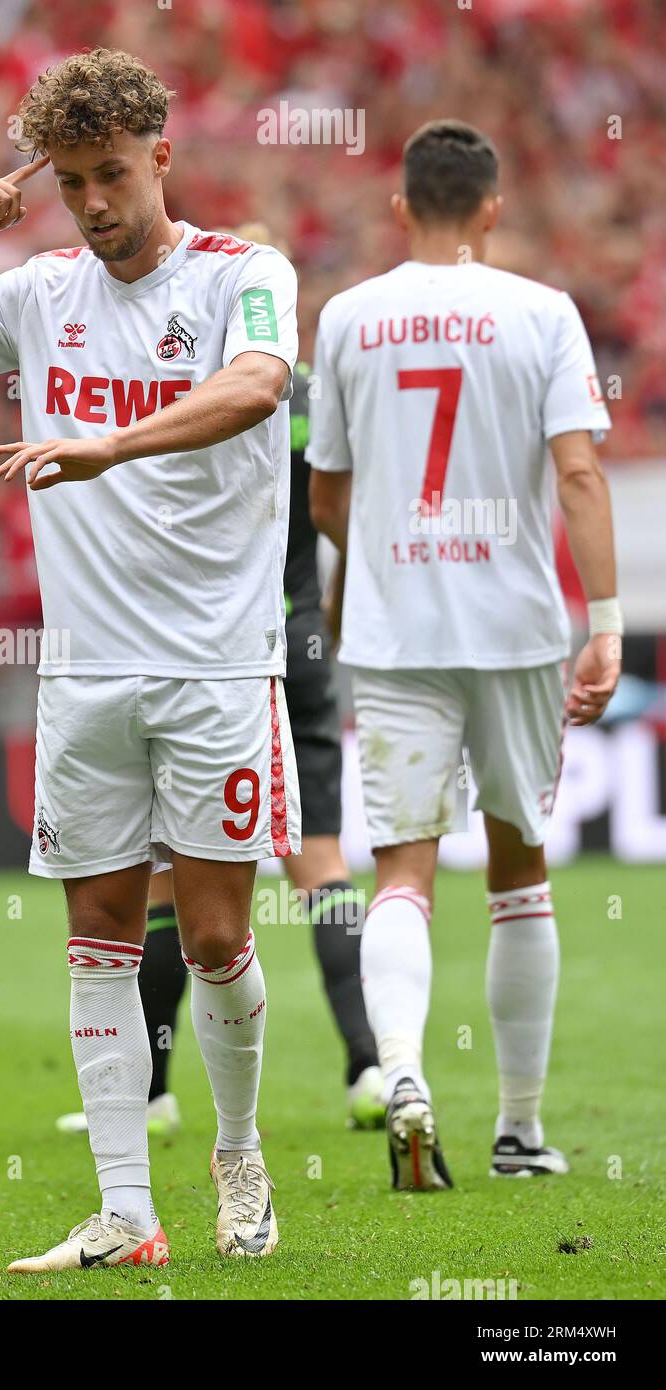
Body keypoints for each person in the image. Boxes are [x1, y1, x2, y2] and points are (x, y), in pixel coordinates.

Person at [0, 48, 301, 1269]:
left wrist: (111, 445)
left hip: (216, 666)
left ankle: (239, 1150)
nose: (94, 204)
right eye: (70, 182)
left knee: (210, 938)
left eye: (111, 175)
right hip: (85, 674)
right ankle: (125, 1211)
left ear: (160, 156)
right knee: (98, 932)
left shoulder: (243, 273)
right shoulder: (37, 291)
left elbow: (260, 388)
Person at [308, 120, 620, 1188]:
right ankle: (521, 1131)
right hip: (516, 631)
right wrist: (610, 620)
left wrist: (377, 571)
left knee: (401, 868)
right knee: (518, 872)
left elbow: (326, 492)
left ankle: (401, 1073)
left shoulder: (347, 317)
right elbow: (577, 472)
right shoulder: (541, 314)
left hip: (398, 634)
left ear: (401, 207)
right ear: (491, 209)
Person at [56, 228, 382, 1137]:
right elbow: (339, 511)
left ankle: (152, 1095)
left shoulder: (191, 390)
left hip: (213, 645)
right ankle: (371, 1068)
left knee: (165, 881)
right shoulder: (312, 392)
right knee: (319, 860)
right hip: (302, 628)